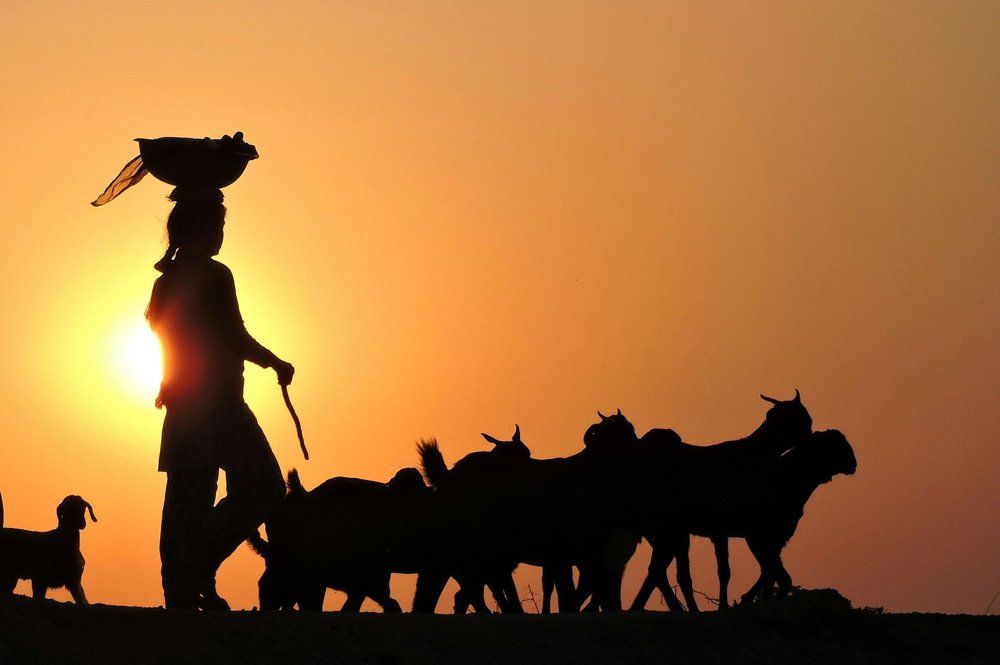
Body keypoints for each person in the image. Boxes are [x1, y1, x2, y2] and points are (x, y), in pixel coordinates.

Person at [146, 186, 291, 610]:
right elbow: (231, 334)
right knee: (263, 485)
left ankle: (185, 582)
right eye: (218, 225)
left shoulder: (165, 282)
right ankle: (193, 571)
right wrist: (274, 362)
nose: (221, 234)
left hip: (184, 405)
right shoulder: (214, 274)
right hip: (218, 405)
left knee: (187, 501)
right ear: (201, 228)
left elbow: (167, 338)